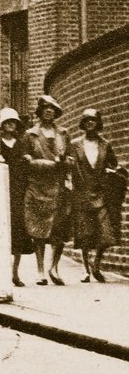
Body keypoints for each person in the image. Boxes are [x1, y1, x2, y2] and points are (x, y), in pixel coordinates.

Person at [68, 108, 126, 283]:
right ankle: (86, 270)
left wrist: (112, 171)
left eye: (93, 120)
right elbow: (69, 167)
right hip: (82, 192)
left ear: (98, 123)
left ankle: (96, 264)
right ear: (83, 124)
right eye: (87, 121)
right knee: (85, 233)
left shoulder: (105, 145)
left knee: (105, 232)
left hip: (101, 193)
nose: (90, 123)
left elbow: (114, 166)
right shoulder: (75, 144)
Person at [21, 94, 70, 285]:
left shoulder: (64, 134)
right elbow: (25, 160)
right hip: (38, 188)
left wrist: (66, 161)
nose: (49, 111)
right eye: (45, 108)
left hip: (58, 187)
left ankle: (54, 267)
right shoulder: (30, 134)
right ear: (40, 112)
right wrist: (43, 163)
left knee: (59, 230)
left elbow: (71, 158)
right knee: (39, 231)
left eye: (52, 108)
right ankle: (40, 270)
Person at [0, 106, 34, 286]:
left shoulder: (21, 144)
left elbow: (29, 166)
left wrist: (28, 160)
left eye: (13, 122)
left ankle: (15, 273)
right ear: (2, 125)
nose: (11, 125)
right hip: (2, 191)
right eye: (7, 122)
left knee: (19, 233)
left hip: (19, 191)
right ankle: (2, 271)